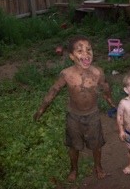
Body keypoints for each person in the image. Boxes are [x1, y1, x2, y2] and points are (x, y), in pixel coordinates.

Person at [33, 35, 115, 182]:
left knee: (96, 145)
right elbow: (54, 90)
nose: (86, 54)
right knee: (73, 146)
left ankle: (98, 167)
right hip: (74, 116)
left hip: (93, 115)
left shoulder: (98, 72)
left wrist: (110, 100)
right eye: (80, 51)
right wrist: (41, 109)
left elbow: (105, 86)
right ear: (71, 56)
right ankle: (74, 169)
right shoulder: (67, 74)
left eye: (89, 49)